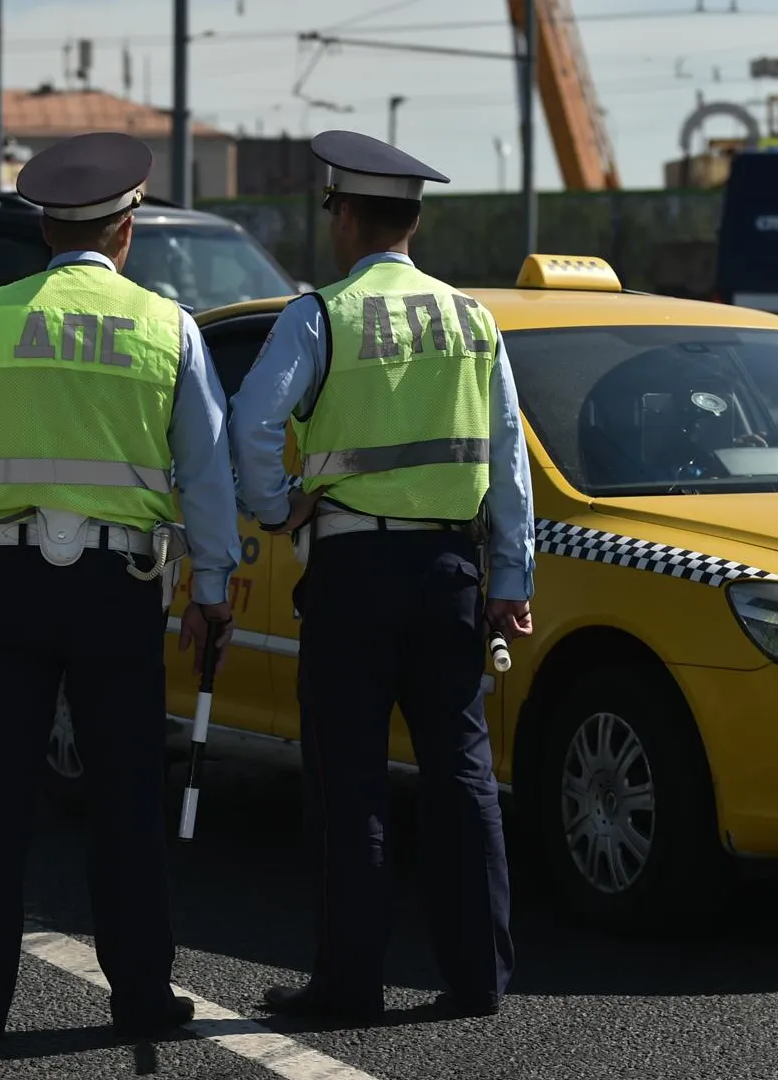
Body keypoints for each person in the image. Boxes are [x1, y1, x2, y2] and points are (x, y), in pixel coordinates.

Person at [0, 130, 241, 1041]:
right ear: (128, 228)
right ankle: (140, 994)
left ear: (44, 228)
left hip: (5, 583)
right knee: (126, 795)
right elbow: (206, 474)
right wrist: (214, 586)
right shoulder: (169, 327)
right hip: (121, 589)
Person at [228, 129, 536, 1022]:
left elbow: (254, 419)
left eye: (334, 212)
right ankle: (478, 978)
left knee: (350, 778)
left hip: (354, 567)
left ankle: (350, 982)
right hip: (450, 571)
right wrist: (510, 575)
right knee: (462, 772)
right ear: (413, 220)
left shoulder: (319, 314)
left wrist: (278, 504)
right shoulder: (474, 318)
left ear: (351, 214)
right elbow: (509, 456)